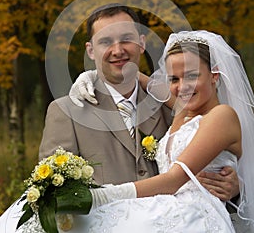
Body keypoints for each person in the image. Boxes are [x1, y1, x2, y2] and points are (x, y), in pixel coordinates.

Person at [0, 8, 238, 232]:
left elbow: (221, 158)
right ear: (90, 50)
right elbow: (54, 192)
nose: (118, 50)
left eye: (126, 39)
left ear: (142, 44)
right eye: (106, 42)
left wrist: (235, 189)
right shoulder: (66, 111)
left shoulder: (174, 106)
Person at [65, 30, 254, 232]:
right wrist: (93, 75)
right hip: (167, 208)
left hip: (195, 217)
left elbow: (174, 180)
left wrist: (100, 195)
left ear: (214, 75)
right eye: (174, 79)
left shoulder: (222, 116)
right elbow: (139, 78)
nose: (183, 87)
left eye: (192, 75)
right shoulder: (183, 112)